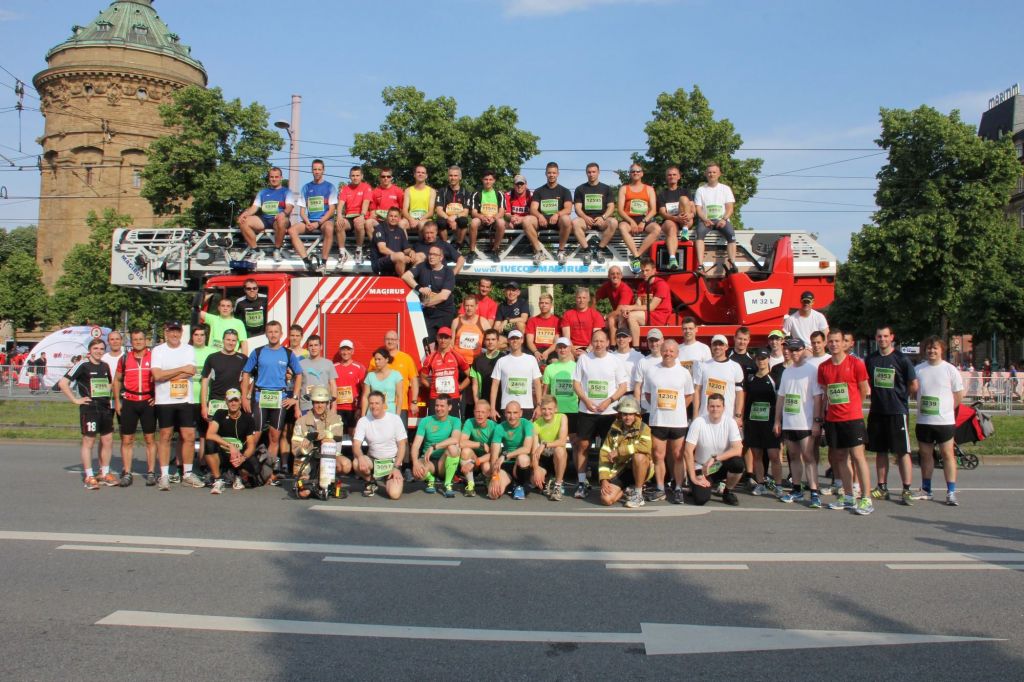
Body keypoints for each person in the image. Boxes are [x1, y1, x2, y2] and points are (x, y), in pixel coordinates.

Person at [817, 329, 874, 515]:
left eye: (837, 341)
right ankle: (848, 495)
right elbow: (826, 392)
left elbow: (864, 389)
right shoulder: (824, 367)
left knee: (858, 458)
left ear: (844, 343)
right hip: (833, 419)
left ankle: (865, 498)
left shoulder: (856, 364)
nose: (834, 344)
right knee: (840, 458)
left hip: (852, 418)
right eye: (831, 341)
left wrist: (853, 406)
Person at [240, 321, 304, 479]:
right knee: (254, 436)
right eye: (270, 331)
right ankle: (246, 470)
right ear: (266, 334)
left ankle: (267, 473)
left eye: (276, 331)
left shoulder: (288, 354)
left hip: (279, 398)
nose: (273, 334)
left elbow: (299, 374)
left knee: (274, 437)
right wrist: (244, 397)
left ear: (281, 334)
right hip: (259, 397)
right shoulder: (258, 352)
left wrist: (294, 398)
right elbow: (246, 372)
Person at [572, 329, 629, 499]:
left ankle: (609, 480)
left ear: (607, 342)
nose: (598, 344)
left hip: (609, 412)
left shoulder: (615, 361)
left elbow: (623, 387)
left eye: (601, 341)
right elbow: (576, 383)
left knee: (609, 449)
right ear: (591, 342)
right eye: (595, 341)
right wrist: (586, 400)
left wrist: (609, 401)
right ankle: (582, 482)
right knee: (582, 446)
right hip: (586, 410)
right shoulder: (584, 359)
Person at [865, 325, 918, 506]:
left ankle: (907, 489)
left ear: (892, 337)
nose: (882, 339)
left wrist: (900, 398)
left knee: (902, 452)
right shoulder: (870, 359)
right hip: (877, 411)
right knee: (880, 451)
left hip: (897, 412)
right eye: (879, 337)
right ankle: (882, 487)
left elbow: (914, 385)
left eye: (886, 336)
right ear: (876, 338)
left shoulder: (902, 359)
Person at [639, 339, 694, 503]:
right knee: (658, 455)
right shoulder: (652, 371)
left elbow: (689, 396)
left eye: (671, 351)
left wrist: (677, 409)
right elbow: (648, 395)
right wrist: (658, 407)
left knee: (678, 455)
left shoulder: (684, 372)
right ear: (661, 351)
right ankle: (660, 488)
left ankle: (678, 488)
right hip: (658, 421)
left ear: (677, 353)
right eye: (665, 350)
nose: (668, 353)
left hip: (678, 422)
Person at [913, 337, 964, 506]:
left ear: (941, 350)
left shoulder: (950, 370)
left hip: (944, 422)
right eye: (928, 348)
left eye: (935, 348)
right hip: (924, 420)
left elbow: (958, 394)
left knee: (947, 455)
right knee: (926, 455)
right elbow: (914, 392)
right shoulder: (918, 369)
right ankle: (926, 489)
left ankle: (951, 492)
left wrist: (946, 409)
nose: (931, 351)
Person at [59, 338, 117, 490]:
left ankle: (104, 473)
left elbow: (109, 384)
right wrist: (75, 400)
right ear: (90, 350)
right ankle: (89, 476)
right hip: (89, 409)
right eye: (96, 348)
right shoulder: (82, 365)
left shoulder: (105, 366)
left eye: (101, 349)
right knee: (89, 442)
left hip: (105, 408)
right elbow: (63, 383)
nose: (99, 351)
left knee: (108, 440)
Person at [151, 320, 202, 490]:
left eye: (177, 331)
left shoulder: (188, 349)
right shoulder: (158, 351)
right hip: (165, 400)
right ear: (166, 332)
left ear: (181, 332)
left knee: (188, 436)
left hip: (185, 400)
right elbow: (157, 375)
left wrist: (167, 374)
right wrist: (181, 370)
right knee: (165, 436)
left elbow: (192, 371)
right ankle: (164, 475)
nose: (174, 334)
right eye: (171, 331)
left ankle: (187, 473)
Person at [774, 338, 825, 507]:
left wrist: (817, 422)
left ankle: (814, 492)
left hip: (806, 423)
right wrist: (777, 420)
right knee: (793, 457)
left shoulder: (811, 370)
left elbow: (818, 398)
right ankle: (797, 489)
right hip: (789, 423)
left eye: (797, 350)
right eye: (791, 349)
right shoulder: (787, 372)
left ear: (803, 350)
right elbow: (781, 398)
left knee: (808, 457)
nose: (794, 353)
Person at [113, 329, 157, 486]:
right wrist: (117, 401)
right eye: (135, 339)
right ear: (131, 342)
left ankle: (151, 472)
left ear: (146, 341)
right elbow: (117, 380)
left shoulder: (154, 357)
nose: (138, 342)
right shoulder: (124, 359)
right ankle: (127, 472)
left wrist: (156, 396)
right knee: (127, 439)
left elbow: (160, 379)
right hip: (130, 401)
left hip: (147, 401)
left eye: (140, 339)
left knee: (150, 439)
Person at [684, 393, 745, 505]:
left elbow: (737, 449)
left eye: (718, 406)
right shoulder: (698, 422)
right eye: (712, 406)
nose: (715, 409)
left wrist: (715, 458)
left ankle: (727, 492)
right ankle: (693, 487)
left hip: (720, 465)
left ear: (724, 408)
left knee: (738, 463)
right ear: (707, 407)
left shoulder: (730, 422)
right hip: (702, 468)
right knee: (701, 500)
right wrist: (693, 477)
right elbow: (687, 451)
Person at [597, 396, 654, 508]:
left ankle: (638, 494)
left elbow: (645, 447)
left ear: (637, 414)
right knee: (606, 499)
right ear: (620, 415)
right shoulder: (613, 430)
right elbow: (604, 454)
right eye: (624, 414)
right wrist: (604, 479)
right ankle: (627, 491)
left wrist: (619, 451)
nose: (628, 417)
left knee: (639, 457)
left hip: (640, 468)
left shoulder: (644, 428)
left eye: (631, 414)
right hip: (620, 470)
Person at [352, 391, 408, 499]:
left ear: (383, 404)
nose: (374, 406)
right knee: (356, 462)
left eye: (377, 403)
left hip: (392, 462)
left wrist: (396, 467)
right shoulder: (363, 421)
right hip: (373, 460)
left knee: (394, 495)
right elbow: (356, 445)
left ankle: (389, 479)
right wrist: (360, 457)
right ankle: (371, 482)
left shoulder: (395, 419)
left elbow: (402, 445)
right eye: (371, 403)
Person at [205, 388, 260, 494]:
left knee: (255, 469)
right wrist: (230, 446)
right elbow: (210, 434)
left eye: (236, 400)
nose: (233, 403)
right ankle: (218, 480)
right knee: (209, 444)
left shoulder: (248, 419)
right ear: (226, 401)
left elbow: (251, 446)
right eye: (230, 401)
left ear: (240, 401)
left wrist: (243, 458)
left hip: (240, 454)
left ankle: (237, 475)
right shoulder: (220, 413)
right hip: (224, 452)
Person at [743, 351, 782, 497]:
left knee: (774, 455)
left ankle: (778, 485)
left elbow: (779, 400)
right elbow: (747, 400)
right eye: (759, 359)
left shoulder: (774, 378)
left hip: (770, 421)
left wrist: (778, 421)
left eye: (764, 359)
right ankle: (760, 483)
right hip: (753, 421)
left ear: (768, 360)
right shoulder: (751, 378)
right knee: (757, 454)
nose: (761, 361)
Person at [410, 395, 463, 497]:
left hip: (444, 461)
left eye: (442, 406)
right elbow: (416, 445)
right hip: (428, 460)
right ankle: (430, 478)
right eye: (437, 405)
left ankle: (448, 483)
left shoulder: (455, 421)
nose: (439, 408)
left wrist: (434, 447)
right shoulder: (426, 421)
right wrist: (415, 462)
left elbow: (455, 439)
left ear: (450, 407)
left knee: (453, 448)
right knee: (417, 473)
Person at [402, 244, 455, 342]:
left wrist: (422, 304)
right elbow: (405, 276)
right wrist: (420, 288)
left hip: (444, 313)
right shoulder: (422, 266)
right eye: (430, 254)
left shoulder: (448, 272)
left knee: (443, 342)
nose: (431, 256)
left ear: (441, 257)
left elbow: (443, 296)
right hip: (427, 314)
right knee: (426, 341)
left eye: (435, 254)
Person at [237, 167, 291, 262]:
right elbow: (254, 208)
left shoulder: (287, 191)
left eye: (276, 177)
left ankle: (277, 250)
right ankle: (256, 250)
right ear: (269, 178)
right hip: (264, 219)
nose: (274, 179)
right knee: (243, 221)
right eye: (271, 177)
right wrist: (244, 214)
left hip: (279, 219)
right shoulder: (263, 192)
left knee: (281, 220)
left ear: (281, 178)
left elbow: (289, 207)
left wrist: (283, 213)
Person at [290, 159, 338, 265]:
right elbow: (302, 211)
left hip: (324, 221)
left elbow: (331, 210)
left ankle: (323, 262)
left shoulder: (330, 187)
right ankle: (306, 260)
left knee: (329, 228)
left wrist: (318, 223)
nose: (317, 172)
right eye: (315, 169)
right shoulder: (306, 187)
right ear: (311, 170)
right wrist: (307, 222)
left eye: (319, 169)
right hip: (310, 221)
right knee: (292, 231)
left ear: (323, 170)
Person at [692, 163, 738, 274]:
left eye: (714, 172)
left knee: (731, 235)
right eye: (709, 172)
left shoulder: (725, 189)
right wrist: (704, 219)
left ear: (719, 174)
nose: (711, 174)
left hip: (722, 219)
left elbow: (730, 208)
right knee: (699, 234)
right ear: (705, 174)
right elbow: (698, 209)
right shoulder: (700, 190)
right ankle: (700, 265)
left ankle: (732, 263)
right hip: (706, 220)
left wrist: (724, 219)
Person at [486, 401, 537, 501]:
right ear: (505, 413)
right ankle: (512, 485)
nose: (512, 416)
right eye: (509, 413)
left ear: (521, 413)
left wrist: (505, 456)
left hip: (521, 464)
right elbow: (494, 456)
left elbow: (526, 449)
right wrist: (494, 477)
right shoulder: (499, 427)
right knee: (493, 494)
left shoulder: (527, 424)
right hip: (506, 465)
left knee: (523, 458)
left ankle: (521, 485)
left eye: (515, 413)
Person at [616, 163, 660, 275]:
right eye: (633, 171)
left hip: (645, 219)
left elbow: (654, 210)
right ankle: (636, 256)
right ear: (630, 174)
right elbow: (620, 210)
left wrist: (643, 222)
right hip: (628, 218)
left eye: (638, 171)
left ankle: (637, 255)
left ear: (642, 173)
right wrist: (631, 221)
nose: (635, 173)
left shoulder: (649, 189)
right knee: (622, 227)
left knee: (657, 229)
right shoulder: (624, 188)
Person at [571, 162, 617, 266]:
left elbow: (611, 207)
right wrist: (585, 217)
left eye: (593, 172)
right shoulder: (580, 189)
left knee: (613, 222)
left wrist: (603, 217)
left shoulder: (606, 188)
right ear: (586, 173)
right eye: (589, 172)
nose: (591, 174)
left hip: (602, 220)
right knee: (575, 222)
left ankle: (600, 249)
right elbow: (577, 208)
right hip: (586, 220)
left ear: (598, 172)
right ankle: (587, 251)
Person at [489, 329, 542, 420]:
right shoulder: (501, 361)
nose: (515, 341)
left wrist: (539, 405)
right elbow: (495, 385)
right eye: (512, 338)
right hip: (507, 406)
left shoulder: (531, 359)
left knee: (526, 434)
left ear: (522, 340)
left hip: (526, 406)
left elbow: (537, 383)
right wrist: (492, 408)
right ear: (508, 341)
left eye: (517, 338)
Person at [528, 162, 574, 265]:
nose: (551, 175)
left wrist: (557, 214)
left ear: (558, 174)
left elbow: (568, 209)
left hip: (558, 222)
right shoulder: (538, 191)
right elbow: (533, 209)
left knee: (566, 219)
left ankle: (561, 251)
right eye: (549, 173)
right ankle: (539, 252)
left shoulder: (565, 191)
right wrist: (539, 216)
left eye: (554, 173)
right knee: (527, 220)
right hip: (541, 222)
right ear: (545, 174)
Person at [692, 334, 745, 424]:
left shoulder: (735, 366)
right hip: (705, 417)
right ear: (711, 346)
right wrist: (695, 414)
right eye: (715, 344)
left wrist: (738, 415)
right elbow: (697, 391)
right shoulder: (703, 366)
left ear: (726, 347)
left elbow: (739, 393)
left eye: (720, 344)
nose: (717, 347)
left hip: (727, 417)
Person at [620, 257, 672, 346]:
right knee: (623, 314)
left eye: (647, 270)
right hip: (647, 314)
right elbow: (638, 303)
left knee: (632, 316)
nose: (644, 273)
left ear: (654, 270)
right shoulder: (642, 285)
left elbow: (651, 307)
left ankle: (635, 348)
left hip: (660, 315)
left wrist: (631, 308)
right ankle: (623, 346)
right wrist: (628, 310)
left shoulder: (661, 285)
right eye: (643, 270)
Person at [421, 326, 470, 420]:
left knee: (454, 425)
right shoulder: (430, 358)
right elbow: (423, 378)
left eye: (446, 337)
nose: (443, 340)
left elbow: (470, 375)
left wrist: (460, 387)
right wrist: (432, 387)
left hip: (452, 397)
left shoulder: (457, 356)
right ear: (437, 338)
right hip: (435, 398)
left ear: (450, 339)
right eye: (441, 337)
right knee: (433, 426)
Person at [200, 329, 247, 426]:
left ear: (237, 342)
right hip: (215, 402)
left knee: (232, 437)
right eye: (228, 340)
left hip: (234, 403)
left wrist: (247, 398)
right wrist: (204, 406)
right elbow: (204, 383)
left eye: (234, 340)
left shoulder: (243, 358)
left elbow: (249, 380)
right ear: (223, 340)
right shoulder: (212, 358)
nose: (231, 343)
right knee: (213, 436)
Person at [371, 331, 419, 422]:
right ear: (384, 341)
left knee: (399, 435)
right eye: (388, 339)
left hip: (401, 405)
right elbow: (368, 381)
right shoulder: (375, 360)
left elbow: (414, 381)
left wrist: (414, 402)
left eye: (393, 339)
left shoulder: (406, 358)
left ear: (397, 341)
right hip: (378, 406)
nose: (390, 342)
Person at [542, 337, 579, 448]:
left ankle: (577, 466)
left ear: (570, 349)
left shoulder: (577, 367)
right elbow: (545, 393)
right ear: (556, 349)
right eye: (560, 347)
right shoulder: (549, 368)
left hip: (573, 410)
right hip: (555, 411)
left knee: (575, 444)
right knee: (555, 444)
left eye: (565, 347)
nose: (563, 350)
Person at [458, 399, 501, 497]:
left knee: (486, 467)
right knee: (465, 451)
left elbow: (495, 453)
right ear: (473, 412)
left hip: (488, 459)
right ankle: (471, 485)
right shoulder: (469, 422)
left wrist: (475, 462)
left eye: (483, 412)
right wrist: (480, 444)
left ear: (489, 414)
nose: (480, 415)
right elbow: (461, 442)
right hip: (474, 458)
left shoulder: (495, 427)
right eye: (477, 412)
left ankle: (487, 480)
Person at [531, 395, 569, 501]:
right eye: (544, 409)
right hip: (545, 458)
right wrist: (536, 469)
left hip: (558, 457)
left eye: (550, 409)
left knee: (559, 450)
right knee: (534, 480)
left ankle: (557, 484)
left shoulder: (562, 417)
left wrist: (544, 444)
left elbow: (562, 441)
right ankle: (548, 480)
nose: (547, 412)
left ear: (556, 409)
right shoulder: (536, 424)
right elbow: (534, 451)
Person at [657, 165, 695, 271]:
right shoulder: (662, 194)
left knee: (683, 199)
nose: (672, 176)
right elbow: (662, 212)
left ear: (679, 177)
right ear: (666, 177)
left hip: (686, 220)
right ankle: (672, 259)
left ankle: (685, 230)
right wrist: (675, 218)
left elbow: (693, 210)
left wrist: (690, 215)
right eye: (669, 175)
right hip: (670, 220)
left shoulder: (685, 191)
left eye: (674, 174)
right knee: (671, 228)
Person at [190, 326, 217, 465]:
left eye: (202, 335)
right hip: (187, 399)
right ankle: (182, 464)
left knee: (204, 434)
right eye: (196, 334)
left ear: (206, 337)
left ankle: (202, 462)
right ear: (192, 336)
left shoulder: (212, 353)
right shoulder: (186, 351)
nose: (199, 337)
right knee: (186, 435)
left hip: (205, 400)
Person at [468, 169, 507, 262]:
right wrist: (482, 217)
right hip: (481, 220)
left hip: (494, 220)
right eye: (486, 179)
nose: (488, 181)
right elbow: (473, 212)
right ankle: (472, 251)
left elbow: (502, 212)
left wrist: (493, 218)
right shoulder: (476, 194)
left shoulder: (499, 194)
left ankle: (495, 250)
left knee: (501, 222)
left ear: (494, 181)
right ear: (482, 180)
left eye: (490, 179)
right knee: (473, 222)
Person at [338, 166, 373, 262]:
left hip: (361, 216)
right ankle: (342, 253)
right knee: (339, 224)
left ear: (362, 176)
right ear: (349, 176)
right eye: (353, 175)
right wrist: (339, 216)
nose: (355, 177)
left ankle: (359, 250)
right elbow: (341, 203)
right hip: (349, 217)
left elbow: (366, 203)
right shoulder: (345, 188)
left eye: (357, 175)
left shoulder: (366, 187)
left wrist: (362, 216)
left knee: (359, 223)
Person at [505, 175, 543, 263]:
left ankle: (537, 251)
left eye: (521, 184)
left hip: (527, 222)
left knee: (529, 222)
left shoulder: (532, 195)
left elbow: (535, 212)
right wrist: (512, 217)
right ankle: (502, 250)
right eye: (517, 184)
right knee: (503, 224)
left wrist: (522, 219)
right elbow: (507, 214)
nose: (519, 186)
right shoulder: (508, 195)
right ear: (514, 185)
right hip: (513, 222)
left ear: (526, 185)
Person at [560, 287, 606, 358]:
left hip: (590, 348)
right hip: (572, 348)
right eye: (579, 298)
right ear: (575, 299)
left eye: (584, 298)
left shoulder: (596, 315)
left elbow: (596, 338)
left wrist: (586, 352)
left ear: (588, 299)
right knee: (568, 360)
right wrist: (573, 351)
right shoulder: (567, 315)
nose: (581, 300)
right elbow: (567, 338)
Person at [298, 335, 338, 415]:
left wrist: (334, 407)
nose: (313, 348)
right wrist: (297, 408)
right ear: (307, 348)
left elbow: (333, 385)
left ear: (321, 347)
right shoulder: (301, 364)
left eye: (316, 345)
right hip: (306, 406)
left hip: (323, 405)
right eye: (311, 345)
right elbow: (297, 388)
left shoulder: (328, 363)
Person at [333, 339, 366, 433]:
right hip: (337, 408)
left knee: (354, 434)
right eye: (343, 350)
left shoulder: (359, 367)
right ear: (340, 351)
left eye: (348, 349)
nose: (345, 352)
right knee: (336, 434)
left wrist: (360, 408)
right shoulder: (334, 367)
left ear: (352, 351)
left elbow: (364, 390)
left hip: (353, 408)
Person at [362, 347, 405, 417]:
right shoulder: (370, 376)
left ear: (387, 359)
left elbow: (399, 397)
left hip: (390, 413)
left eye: (379, 359)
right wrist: (363, 415)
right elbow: (365, 396)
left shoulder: (396, 375)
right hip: (372, 413)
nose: (376, 362)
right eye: (375, 359)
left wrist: (397, 415)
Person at [435, 165, 472, 246]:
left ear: (460, 177)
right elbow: (439, 210)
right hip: (445, 219)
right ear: (448, 177)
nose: (453, 178)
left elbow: (465, 212)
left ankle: (459, 244)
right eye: (450, 175)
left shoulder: (466, 193)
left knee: (463, 221)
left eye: (455, 175)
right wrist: (449, 219)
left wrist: (454, 217)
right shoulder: (442, 191)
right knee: (440, 222)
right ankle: (446, 245)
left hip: (458, 219)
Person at [596, 266, 635, 342]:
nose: (615, 276)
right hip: (618, 315)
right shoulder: (607, 286)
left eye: (618, 273)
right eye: (612, 274)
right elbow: (594, 298)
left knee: (609, 321)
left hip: (627, 315)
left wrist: (603, 318)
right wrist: (591, 313)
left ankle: (613, 346)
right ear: (608, 276)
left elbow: (619, 311)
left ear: (621, 276)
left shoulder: (625, 289)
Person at [371, 207, 413, 276]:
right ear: (387, 217)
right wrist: (400, 256)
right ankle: (402, 281)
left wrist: (411, 252)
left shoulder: (400, 231)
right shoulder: (380, 228)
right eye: (391, 216)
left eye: (395, 216)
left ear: (399, 218)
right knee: (400, 256)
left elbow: (406, 249)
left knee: (417, 257)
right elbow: (382, 249)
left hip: (397, 261)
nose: (393, 218)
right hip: (380, 262)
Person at [470, 329, 504, 410]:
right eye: (488, 339)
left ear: (498, 341)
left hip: (502, 399)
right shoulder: (478, 360)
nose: (490, 342)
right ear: (484, 341)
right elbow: (475, 384)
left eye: (493, 339)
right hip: (484, 400)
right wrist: (477, 402)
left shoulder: (504, 358)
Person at [525, 293, 561, 366]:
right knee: (530, 363)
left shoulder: (557, 321)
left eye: (546, 303)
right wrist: (536, 352)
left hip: (551, 350)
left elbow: (556, 342)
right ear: (539, 304)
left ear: (551, 305)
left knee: (555, 363)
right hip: (536, 349)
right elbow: (529, 341)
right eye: (541, 303)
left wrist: (547, 352)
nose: (544, 305)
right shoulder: (532, 320)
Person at [367, 167, 404, 233]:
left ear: (391, 178)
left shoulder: (398, 190)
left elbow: (402, 209)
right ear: (379, 178)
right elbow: (373, 210)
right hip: (379, 221)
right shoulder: (375, 192)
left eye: (388, 176)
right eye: (383, 176)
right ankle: (374, 242)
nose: (385, 178)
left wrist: (397, 218)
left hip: (394, 220)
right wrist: (372, 217)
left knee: (401, 223)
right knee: (368, 223)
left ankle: (403, 243)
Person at [402, 164, 437, 235]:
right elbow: (404, 210)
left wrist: (418, 220)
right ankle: (404, 245)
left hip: (424, 219)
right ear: (414, 175)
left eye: (423, 173)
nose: (420, 174)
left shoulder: (431, 191)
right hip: (410, 219)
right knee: (401, 223)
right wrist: (411, 219)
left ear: (426, 176)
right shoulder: (408, 190)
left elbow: (430, 212)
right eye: (418, 172)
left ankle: (422, 246)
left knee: (422, 224)